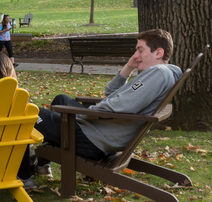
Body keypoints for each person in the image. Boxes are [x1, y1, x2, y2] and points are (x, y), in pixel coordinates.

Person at [20, 29, 182, 188]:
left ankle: (25, 176)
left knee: (25, 112)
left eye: (140, 50)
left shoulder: (157, 74)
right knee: (61, 100)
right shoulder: (162, 74)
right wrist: (129, 67)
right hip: (104, 134)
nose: (136, 55)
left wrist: (83, 115)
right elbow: (111, 93)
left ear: (158, 53)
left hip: (92, 140)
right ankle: (42, 166)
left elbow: (120, 105)